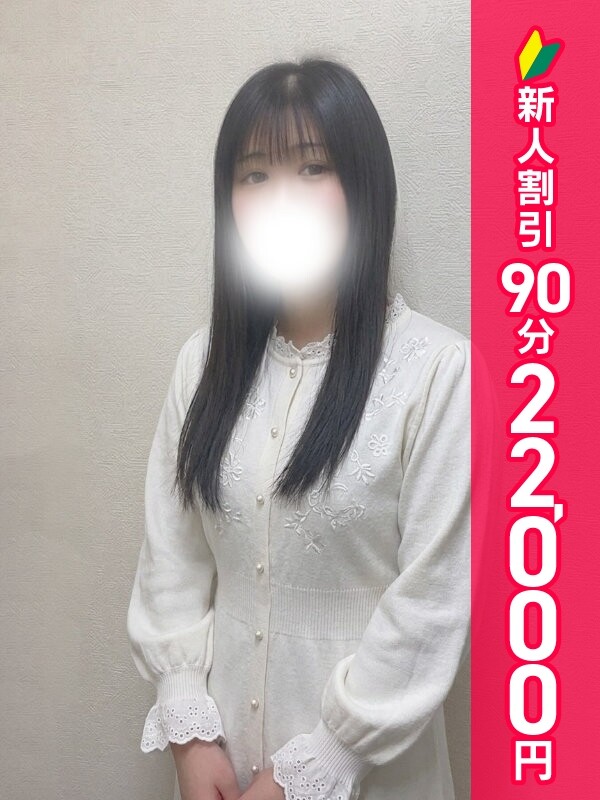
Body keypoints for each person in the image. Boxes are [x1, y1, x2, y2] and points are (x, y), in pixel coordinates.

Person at [126, 57, 471, 800]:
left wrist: (315, 766)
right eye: (255, 175)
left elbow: (432, 601)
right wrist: (188, 734)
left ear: (364, 185)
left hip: (375, 772)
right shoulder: (203, 364)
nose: (283, 198)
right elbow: (172, 559)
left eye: (313, 168)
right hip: (219, 767)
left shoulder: (438, 369)